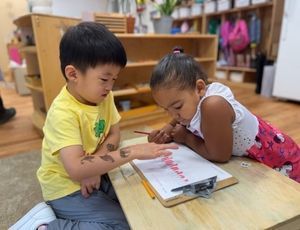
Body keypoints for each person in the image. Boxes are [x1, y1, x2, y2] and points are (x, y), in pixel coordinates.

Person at [9, 22, 178, 230]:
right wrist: (133, 151)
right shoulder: (63, 112)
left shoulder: (104, 96)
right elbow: (75, 169)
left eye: (114, 79)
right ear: (73, 74)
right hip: (65, 189)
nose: (110, 87)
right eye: (105, 79)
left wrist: (94, 168)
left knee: (138, 202)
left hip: (91, 173)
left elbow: (114, 133)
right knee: (124, 224)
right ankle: (45, 226)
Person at [148, 47, 300, 183]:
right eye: (166, 109)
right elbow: (178, 120)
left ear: (200, 88)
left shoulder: (213, 105)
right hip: (252, 161)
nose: (174, 115)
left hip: (279, 159)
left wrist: (186, 137)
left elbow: (220, 155)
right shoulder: (190, 105)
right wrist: (166, 130)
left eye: (177, 106)